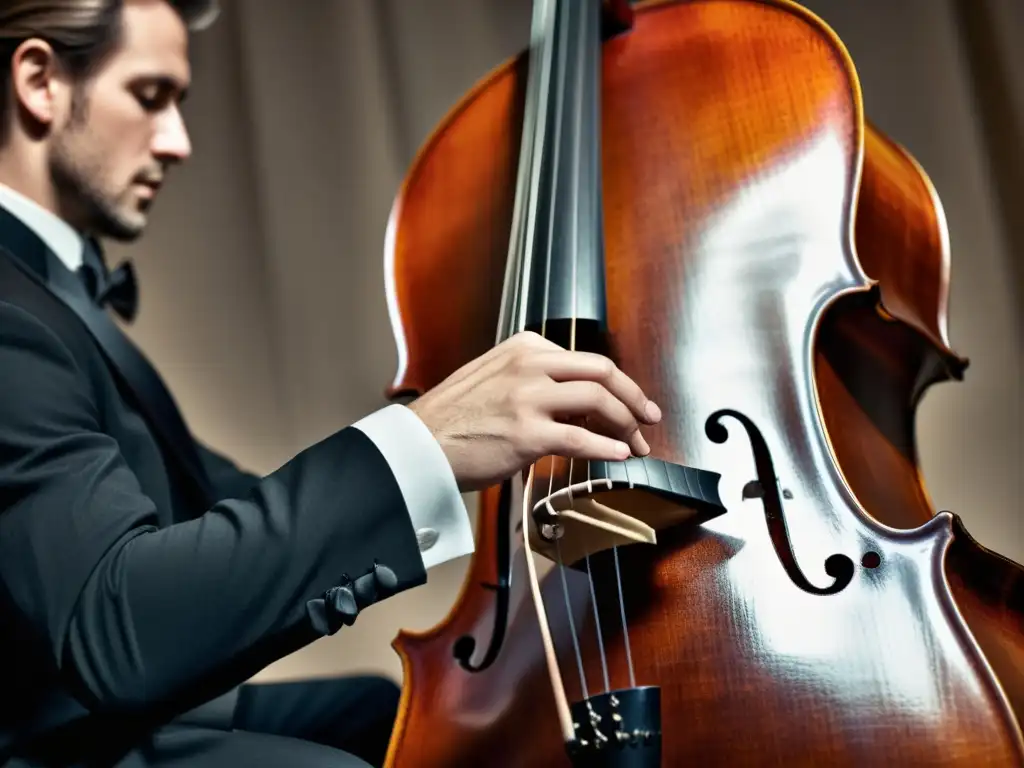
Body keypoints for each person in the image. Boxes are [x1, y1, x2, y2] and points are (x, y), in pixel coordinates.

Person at [0, 0, 660, 765]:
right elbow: (115, 629)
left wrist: (481, 459)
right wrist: (424, 447)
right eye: (151, 97)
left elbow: (218, 508)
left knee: (391, 718)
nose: (178, 141)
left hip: (86, 714)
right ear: (41, 81)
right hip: (46, 738)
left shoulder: (49, 295)